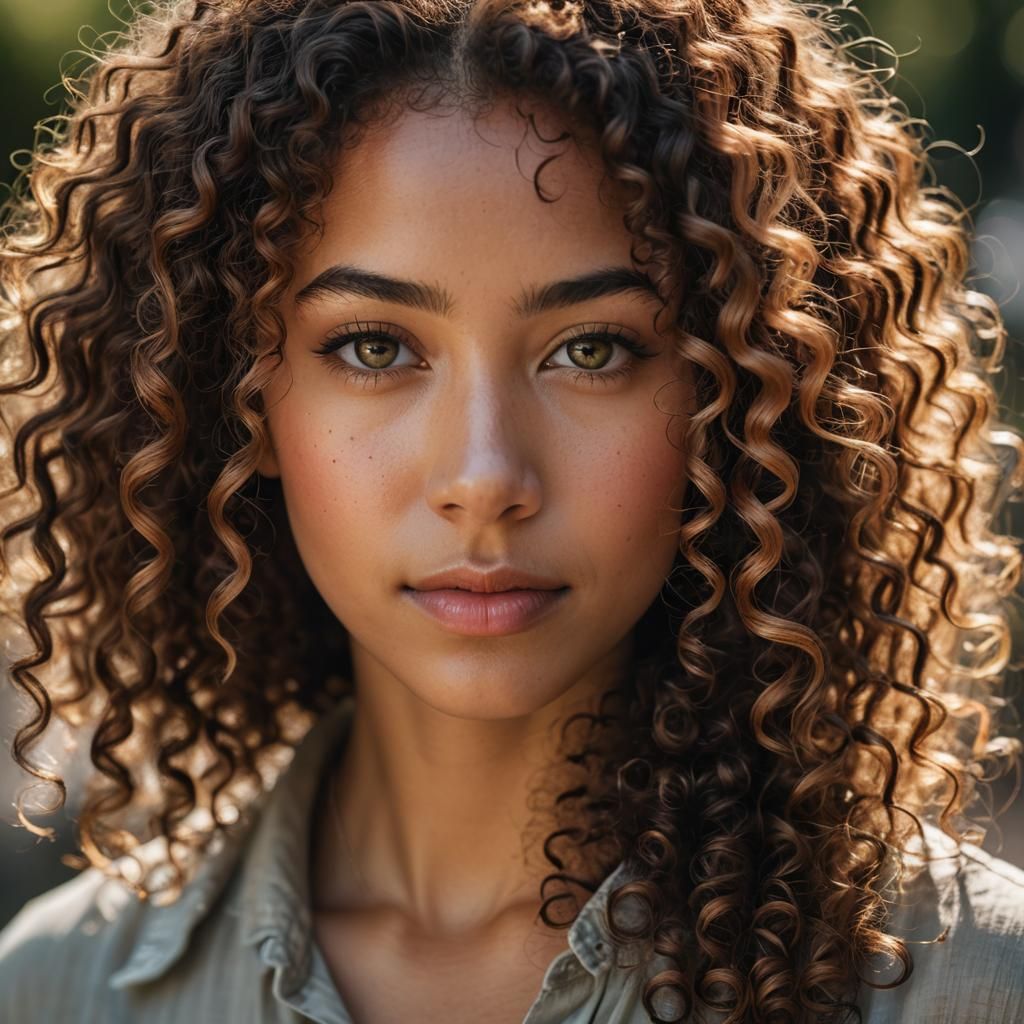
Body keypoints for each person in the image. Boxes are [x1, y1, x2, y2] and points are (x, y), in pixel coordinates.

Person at [0, 0, 1022, 1021]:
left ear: (741, 392)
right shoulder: (56, 991)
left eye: (591, 349)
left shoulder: (969, 984)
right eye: (373, 347)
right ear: (237, 394)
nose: (484, 476)